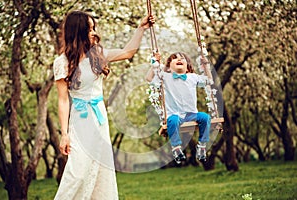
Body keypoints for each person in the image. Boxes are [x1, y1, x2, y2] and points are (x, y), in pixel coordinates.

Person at [53, 10, 155, 199]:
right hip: (80, 119)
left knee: (101, 169)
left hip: (99, 119)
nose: (93, 32)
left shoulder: (97, 55)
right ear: (78, 31)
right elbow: (63, 99)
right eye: (89, 28)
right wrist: (64, 134)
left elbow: (128, 52)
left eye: (94, 28)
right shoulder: (62, 62)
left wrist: (141, 28)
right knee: (77, 172)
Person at [146, 52, 211, 164]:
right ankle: (176, 148)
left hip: (192, 114)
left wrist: (206, 66)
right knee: (172, 120)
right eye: (174, 59)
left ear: (187, 67)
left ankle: (202, 146)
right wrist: (154, 64)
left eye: (182, 59)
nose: (179, 59)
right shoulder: (166, 77)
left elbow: (209, 80)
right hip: (175, 114)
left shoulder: (193, 77)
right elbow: (148, 78)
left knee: (205, 117)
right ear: (169, 68)